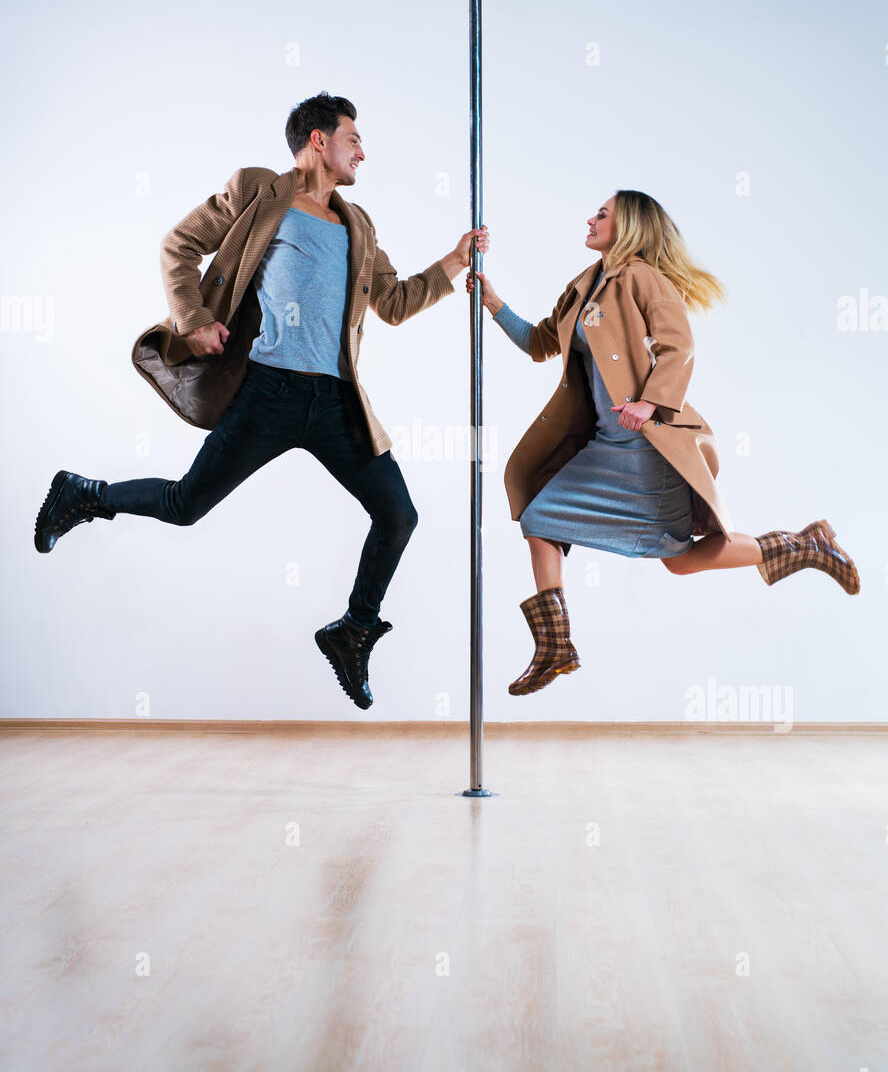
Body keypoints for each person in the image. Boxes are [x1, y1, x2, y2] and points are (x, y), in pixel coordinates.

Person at [34, 92, 488, 710]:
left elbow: (395, 302)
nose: (363, 150)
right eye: (353, 137)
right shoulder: (257, 191)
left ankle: (353, 632)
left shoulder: (359, 224)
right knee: (184, 504)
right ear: (319, 140)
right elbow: (178, 246)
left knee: (399, 516)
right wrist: (192, 319)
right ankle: (84, 495)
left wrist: (453, 261)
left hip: (335, 403)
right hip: (268, 390)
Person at [467, 189, 860, 697]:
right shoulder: (583, 286)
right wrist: (493, 302)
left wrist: (650, 403)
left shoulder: (641, 277)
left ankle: (805, 545)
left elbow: (680, 345)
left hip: (646, 450)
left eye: (602, 214)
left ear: (628, 225)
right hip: (605, 447)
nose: (590, 219)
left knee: (675, 556)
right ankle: (555, 647)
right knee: (541, 519)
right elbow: (542, 343)